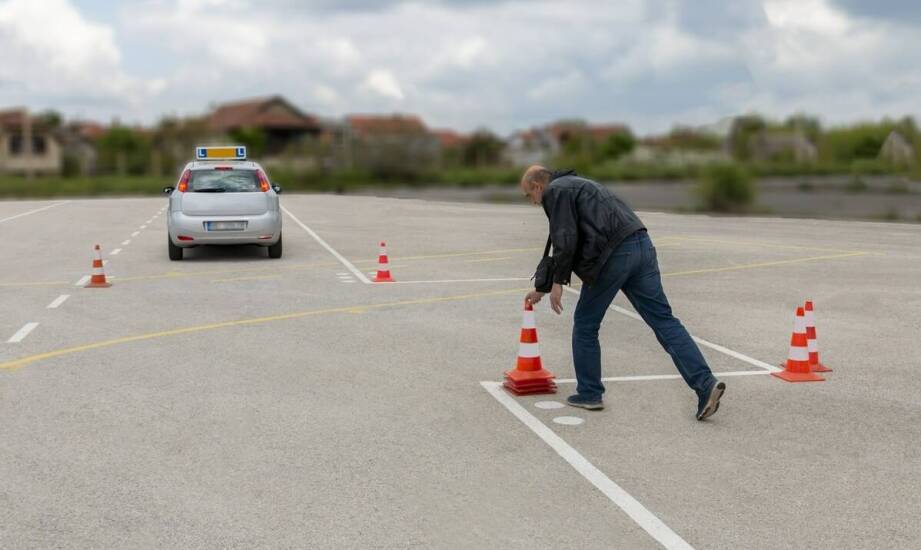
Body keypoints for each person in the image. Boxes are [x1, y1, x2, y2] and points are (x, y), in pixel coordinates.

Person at [521, 166, 725, 420]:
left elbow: (566, 237)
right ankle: (705, 384)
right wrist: (543, 287)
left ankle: (589, 393)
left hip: (613, 255)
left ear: (539, 186)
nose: (532, 202)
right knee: (664, 321)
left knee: (585, 324)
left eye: (529, 195)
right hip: (641, 246)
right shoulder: (581, 183)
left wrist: (558, 283)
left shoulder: (556, 192)